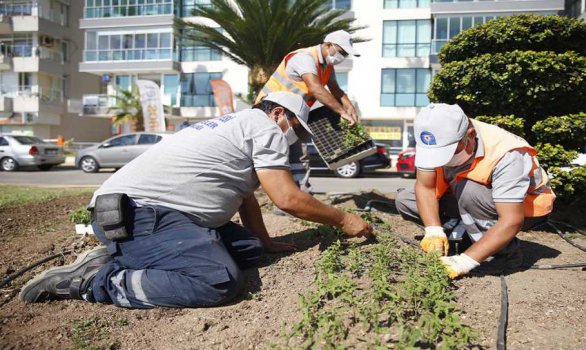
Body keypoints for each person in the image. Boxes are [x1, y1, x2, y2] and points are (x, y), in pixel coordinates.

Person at [20, 92, 373, 308]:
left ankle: (126, 255)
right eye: (297, 128)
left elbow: (245, 197)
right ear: (278, 113)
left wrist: (264, 240)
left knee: (250, 249)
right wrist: (345, 220)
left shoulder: (237, 126)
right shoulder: (264, 127)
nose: (294, 139)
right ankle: (96, 280)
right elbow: (286, 198)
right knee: (216, 281)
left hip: (153, 215)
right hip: (138, 215)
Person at [395, 103, 555, 279]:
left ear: (470, 136)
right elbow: (425, 187)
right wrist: (433, 230)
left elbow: (512, 219)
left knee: (469, 191)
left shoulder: (507, 152)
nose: (443, 161)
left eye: (448, 153)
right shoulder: (433, 138)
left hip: (523, 210)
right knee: (406, 199)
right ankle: (468, 236)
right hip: (470, 199)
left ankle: (504, 255)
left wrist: (464, 262)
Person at [255, 30, 361, 190]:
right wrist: (342, 112)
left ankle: (301, 192)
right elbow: (316, 88)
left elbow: (336, 90)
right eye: (341, 52)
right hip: (271, 112)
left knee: (298, 155)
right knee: (274, 153)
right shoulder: (305, 58)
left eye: (345, 54)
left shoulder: (327, 67)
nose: (342, 57)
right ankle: (274, 193)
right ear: (328, 45)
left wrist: (350, 107)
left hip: (292, 115)